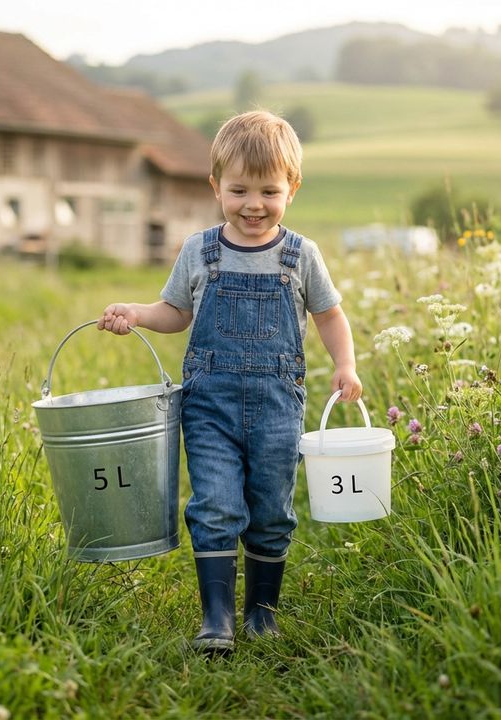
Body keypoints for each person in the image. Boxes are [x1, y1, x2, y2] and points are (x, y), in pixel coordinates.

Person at [97, 110, 362, 652]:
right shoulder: (200, 251)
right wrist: (138, 314)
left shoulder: (301, 255)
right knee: (215, 505)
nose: (253, 204)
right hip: (209, 408)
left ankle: (262, 614)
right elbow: (176, 312)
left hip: (277, 408)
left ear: (292, 189)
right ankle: (216, 619)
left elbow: (330, 315)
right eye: (239, 190)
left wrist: (346, 364)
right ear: (215, 186)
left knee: (271, 511)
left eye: (269, 191)